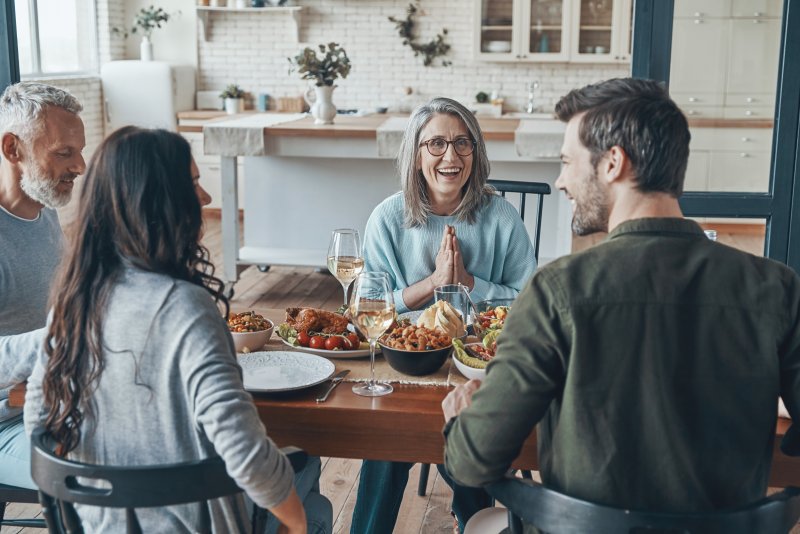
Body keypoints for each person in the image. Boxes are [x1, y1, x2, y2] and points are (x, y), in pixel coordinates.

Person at [442, 77, 800, 531]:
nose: (560, 180)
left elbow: (473, 462)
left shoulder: (557, 289)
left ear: (613, 163)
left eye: (568, 162)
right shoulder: (776, 287)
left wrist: (459, 418)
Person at [23, 126, 332, 534]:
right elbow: (242, 448)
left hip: (97, 525)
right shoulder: (187, 309)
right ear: (158, 202)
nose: (205, 198)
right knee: (313, 496)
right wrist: (296, 527)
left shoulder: (73, 299)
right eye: (193, 184)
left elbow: (37, 419)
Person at [353, 97, 537, 534]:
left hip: (480, 369)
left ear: (476, 151)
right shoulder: (386, 218)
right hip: (407, 366)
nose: (450, 157)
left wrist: (471, 285)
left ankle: (473, 520)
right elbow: (367, 309)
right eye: (435, 144)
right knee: (387, 442)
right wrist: (432, 284)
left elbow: (529, 305)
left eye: (462, 143)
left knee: (471, 439)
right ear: (416, 155)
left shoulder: (503, 219)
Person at [0, 81, 85, 489]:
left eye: (79, 150)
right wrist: (63, 338)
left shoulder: (44, 209)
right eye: (64, 153)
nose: (80, 166)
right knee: (126, 473)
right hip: (8, 425)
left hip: (61, 400)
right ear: (13, 149)